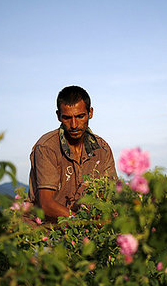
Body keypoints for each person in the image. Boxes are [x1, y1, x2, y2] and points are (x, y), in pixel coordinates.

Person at [28, 86, 117, 221]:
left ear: (90, 113)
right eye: (67, 118)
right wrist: (84, 223)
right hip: (46, 230)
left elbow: (112, 195)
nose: (74, 125)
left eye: (80, 116)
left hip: (87, 232)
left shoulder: (102, 149)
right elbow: (46, 205)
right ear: (58, 116)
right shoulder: (47, 147)